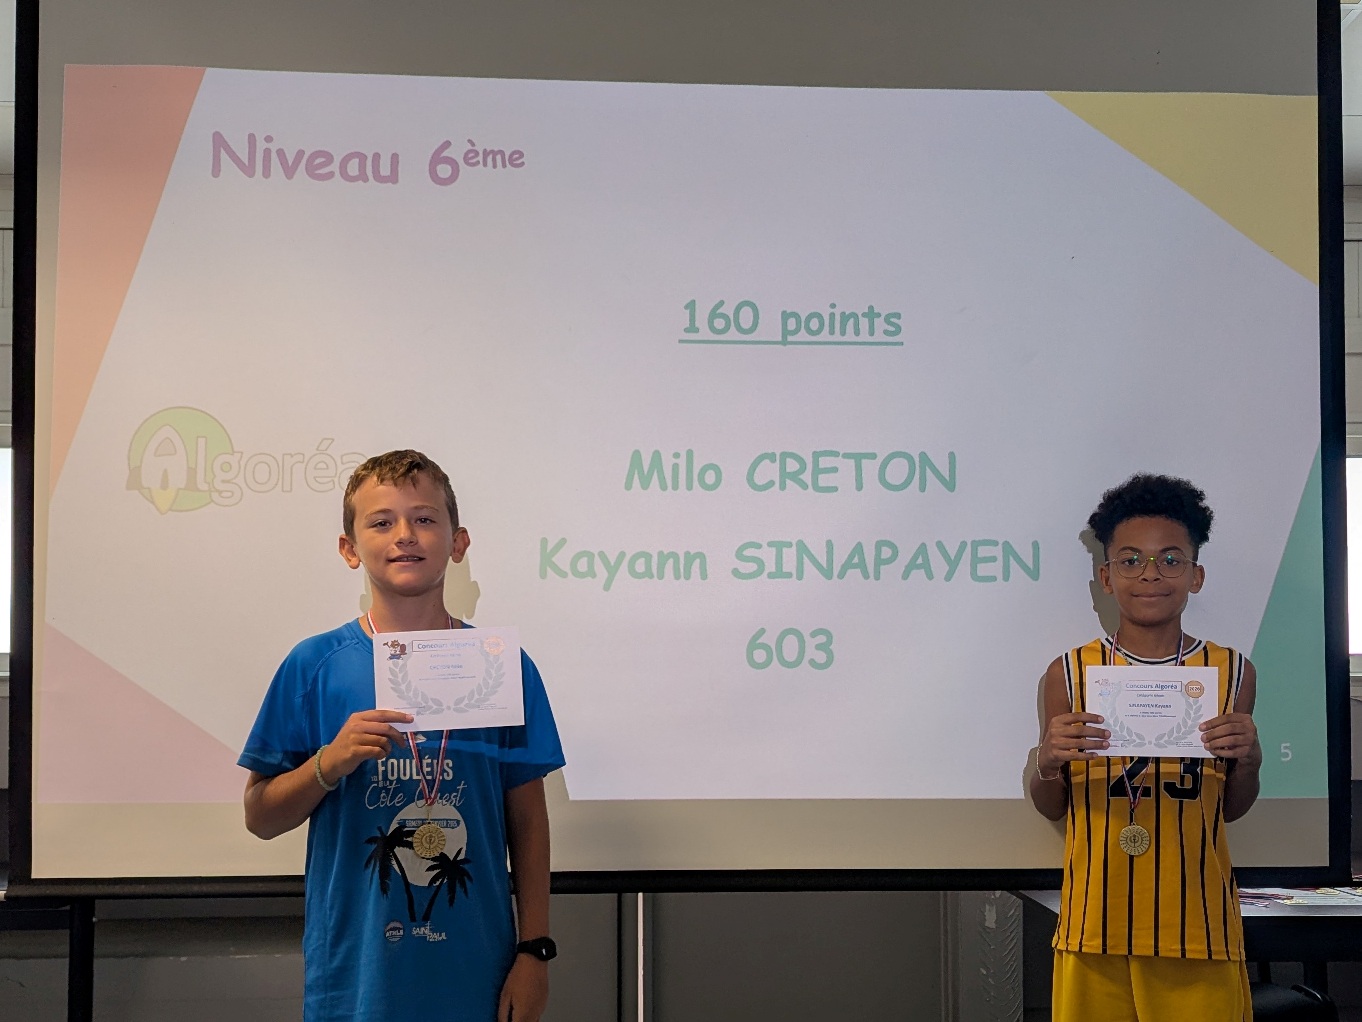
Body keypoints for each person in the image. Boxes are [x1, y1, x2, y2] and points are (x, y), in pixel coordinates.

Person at [240, 450, 565, 1022]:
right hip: (356, 977)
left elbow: (529, 820)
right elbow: (260, 816)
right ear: (349, 549)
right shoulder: (314, 665)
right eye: (381, 522)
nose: (405, 535)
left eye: (424, 518)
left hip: (479, 971)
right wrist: (328, 763)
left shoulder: (503, 668)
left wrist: (534, 949)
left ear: (458, 543)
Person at [1029, 473, 1261, 1022]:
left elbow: (1230, 808)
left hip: (1199, 925)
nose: (1150, 573)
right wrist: (1048, 761)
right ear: (1106, 577)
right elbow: (1052, 805)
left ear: (1196, 576)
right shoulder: (1069, 673)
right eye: (1130, 560)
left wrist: (1249, 761)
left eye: (1170, 559)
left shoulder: (1231, 672)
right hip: (1094, 925)